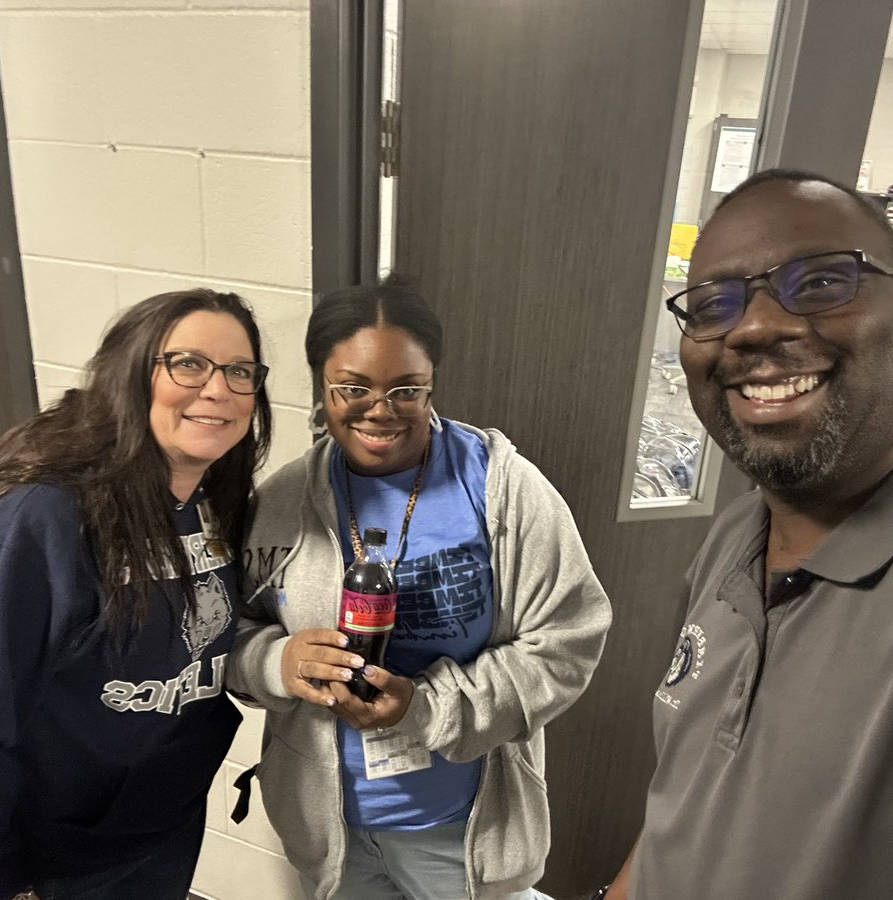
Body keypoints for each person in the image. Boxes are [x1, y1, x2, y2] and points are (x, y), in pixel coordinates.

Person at [603, 169, 893, 900]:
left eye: (823, 283)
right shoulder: (734, 543)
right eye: (714, 304)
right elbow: (693, 792)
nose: (758, 326)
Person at [0, 288, 273, 900]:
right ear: (130, 374)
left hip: (159, 823)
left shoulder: (217, 503)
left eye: (239, 371)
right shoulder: (36, 519)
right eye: (187, 363)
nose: (217, 388)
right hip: (50, 855)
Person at [226, 282, 612, 900]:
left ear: (431, 382)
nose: (379, 410)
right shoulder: (280, 504)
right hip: (333, 831)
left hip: (459, 832)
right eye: (353, 388)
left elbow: (567, 642)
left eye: (405, 389)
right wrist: (278, 660)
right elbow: (227, 636)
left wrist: (426, 707)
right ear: (322, 385)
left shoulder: (502, 490)